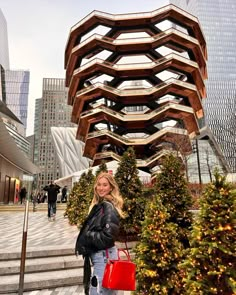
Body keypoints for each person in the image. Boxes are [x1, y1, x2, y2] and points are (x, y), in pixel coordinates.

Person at [75, 172, 125, 295]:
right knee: (106, 291)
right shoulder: (100, 205)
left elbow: (108, 236)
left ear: (111, 188)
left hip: (104, 257)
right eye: (99, 185)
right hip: (101, 256)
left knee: (98, 292)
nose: (101, 188)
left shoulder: (108, 207)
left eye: (105, 185)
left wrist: (88, 235)